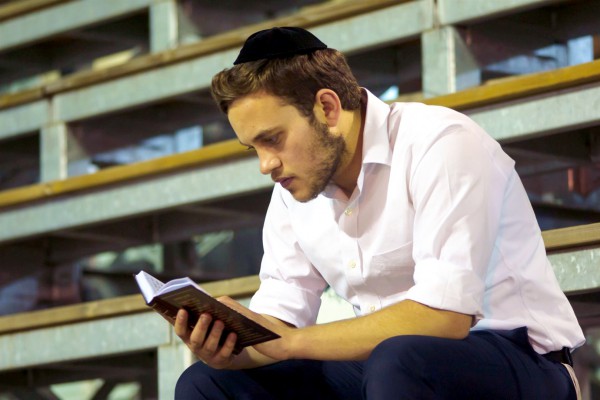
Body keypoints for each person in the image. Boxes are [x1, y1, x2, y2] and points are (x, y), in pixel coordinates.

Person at [173, 26, 585, 399]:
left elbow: (445, 318)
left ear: (327, 108)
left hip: (520, 359)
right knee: (205, 384)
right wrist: (232, 344)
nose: (266, 164)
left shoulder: (440, 143)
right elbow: (280, 318)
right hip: (384, 370)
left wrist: (289, 343)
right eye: (254, 149)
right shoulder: (293, 191)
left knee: (399, 360)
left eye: (273, 139)